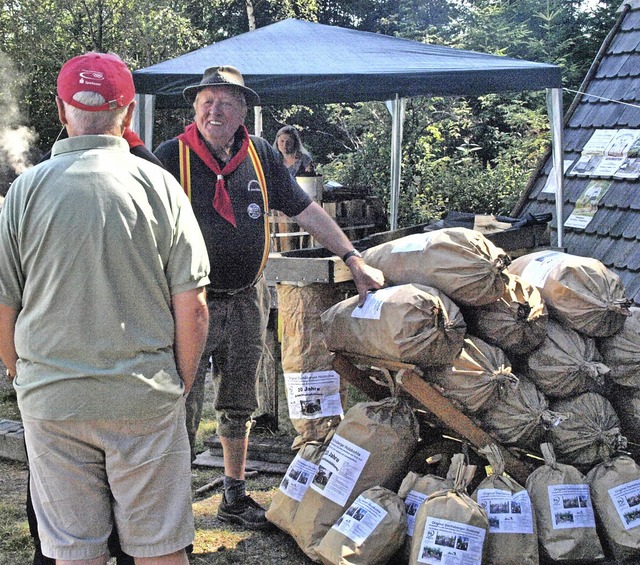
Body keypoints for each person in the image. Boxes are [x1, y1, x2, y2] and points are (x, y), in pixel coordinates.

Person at [0, 51, 211, 564]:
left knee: (75, 554)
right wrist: (178, 384)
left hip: (53, 402)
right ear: (130, 112)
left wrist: (27, 378)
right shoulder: (161, 187)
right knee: (160, 551)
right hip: (143, 397)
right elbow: (194, 307)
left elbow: (3, 307)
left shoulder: (23, 192)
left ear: (60, 109)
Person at [154, 65, 385, 531]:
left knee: (240, 401)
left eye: (225, 102)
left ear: (243, 110)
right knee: (178, 403)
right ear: (195, 107)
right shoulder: (169, 156)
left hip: (246, 297)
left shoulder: (260, 154)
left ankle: (233, 497)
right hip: (186, 304)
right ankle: (169, 507)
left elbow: (305, 209)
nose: (213, 110)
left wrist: (353, 257)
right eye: (206, 101)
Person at [24, 126, 162, 565]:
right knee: (149, 533)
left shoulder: (35, 185)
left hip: (57, 381)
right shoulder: (155, 176)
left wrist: (20, 372)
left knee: (69, 535)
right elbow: (190, 302)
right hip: (137, 381)